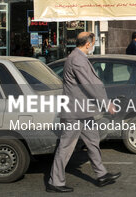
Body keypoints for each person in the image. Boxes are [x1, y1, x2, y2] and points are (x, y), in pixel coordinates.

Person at [47, 32, 120, 192]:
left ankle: (102, 175)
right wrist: (106, 103)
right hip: (75, 112)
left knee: (93, 141)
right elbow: (89, 84)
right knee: (66, 147)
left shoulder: (77, 57)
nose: (93, 46)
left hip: (83, 111)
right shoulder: (77, 59)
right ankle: (55, 182)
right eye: (93, 43)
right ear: (88, 44)